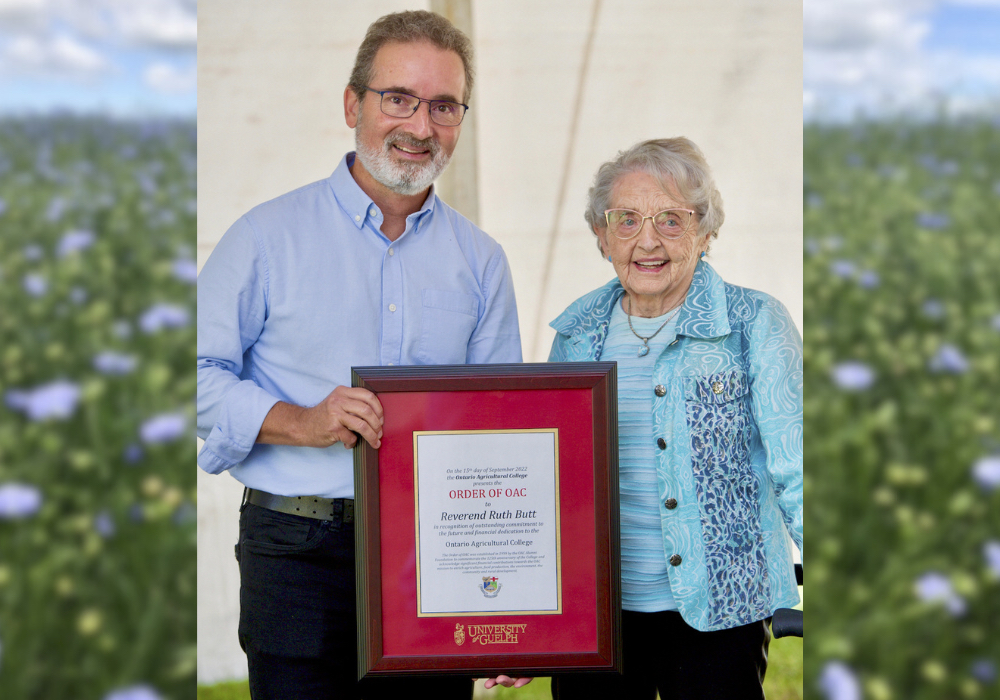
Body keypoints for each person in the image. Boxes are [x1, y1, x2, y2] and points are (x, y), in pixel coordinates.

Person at [196, 11, 523, 699]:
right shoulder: (264, 238)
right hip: (296, 549)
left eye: (443, 106)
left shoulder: (482, 262)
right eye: (398, 98)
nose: (420, 126)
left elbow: (499, 433)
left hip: (434, 555)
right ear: (353, 104)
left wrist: (505, 602)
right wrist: (299, 421)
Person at [547, 138, 802, 699]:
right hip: (598, 617)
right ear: (600, 234)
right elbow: (551, 479)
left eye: (671, 219)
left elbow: (799, 463)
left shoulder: (754, 322)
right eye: (627, 219)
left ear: (705, 232)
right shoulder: (576, 334)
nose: (647, 240)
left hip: (720, 607)